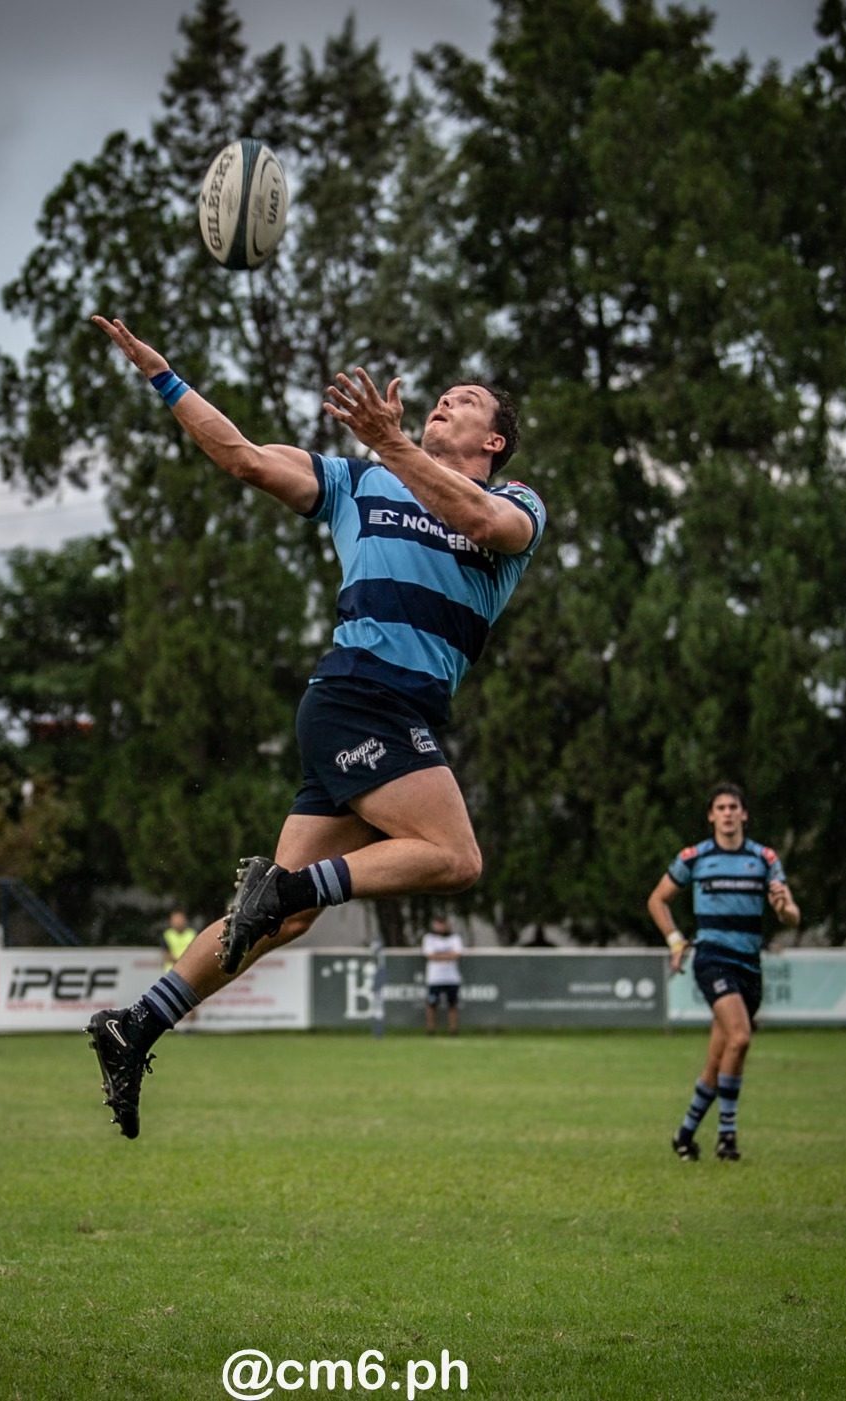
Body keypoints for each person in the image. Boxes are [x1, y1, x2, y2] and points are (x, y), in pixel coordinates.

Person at [83, 314, 546, 1138]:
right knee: (454, 858)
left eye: (465, 401)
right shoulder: (355, 481)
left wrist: (395, 445)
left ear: (497, 442)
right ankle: (284, 884)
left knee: (281, 922)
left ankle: (137, 1024)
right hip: (359, 697)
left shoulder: (514, 504)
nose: (446, 402)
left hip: (381, 709)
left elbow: (481, 524)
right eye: (440, 397)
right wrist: (165, 378)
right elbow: (244, 457)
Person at [647, 783, 800, 1162]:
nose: (728, 812)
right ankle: (727, 1136)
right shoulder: (696, 857)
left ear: (744, 814)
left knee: (721, 1056)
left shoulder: (763, 858)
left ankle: (685, 1134)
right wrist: (675, 941)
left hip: (750, 964)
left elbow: (793, 916)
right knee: (741, 1038)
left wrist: (783, 908)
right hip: (713, 958)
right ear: (711, 815)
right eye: (721, 807)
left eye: (734, 806)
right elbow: (657, 899)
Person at [421, 915, 465, 1035]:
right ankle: (431, 1030)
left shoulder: (455, 938)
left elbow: (457, 954)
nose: (440, 926)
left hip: (452, 978)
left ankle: (453, 1030)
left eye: (442, 923)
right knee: (432, 1004)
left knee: (452, 1004)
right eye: (437, 923)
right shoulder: (429, 938)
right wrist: (448, 955)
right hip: (435, 978)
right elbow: (430, 955)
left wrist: (438, 956)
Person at [160, 909, 198, 1028]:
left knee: (192, 999)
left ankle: (190, 1027)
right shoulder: (167, 935)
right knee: (173, 1000)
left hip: (190, 970)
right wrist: (182, 961)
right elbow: (167, 955)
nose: (178, 922)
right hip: (172, 972)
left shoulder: (192, 934)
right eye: (175, 920)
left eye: (180, 919)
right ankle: (176, 1026)